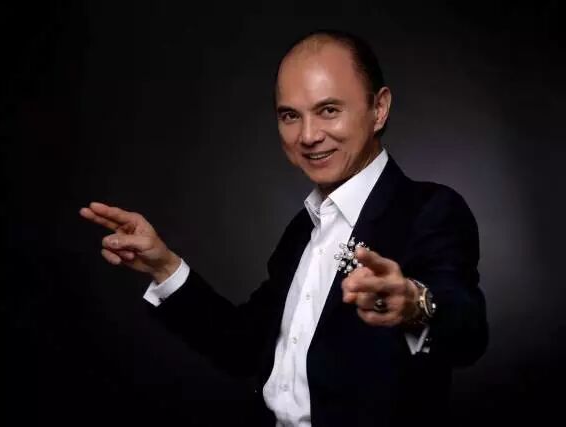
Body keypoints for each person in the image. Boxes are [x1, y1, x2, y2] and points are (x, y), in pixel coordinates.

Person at [79, 29, 488, 427]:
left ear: (378, 109)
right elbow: (243, 347)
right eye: (290, 116)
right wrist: (164, 267)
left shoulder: (430, 210)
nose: (308, 136)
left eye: (329, 110)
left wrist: (416, 304)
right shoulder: (302, 230)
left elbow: (469, 331)